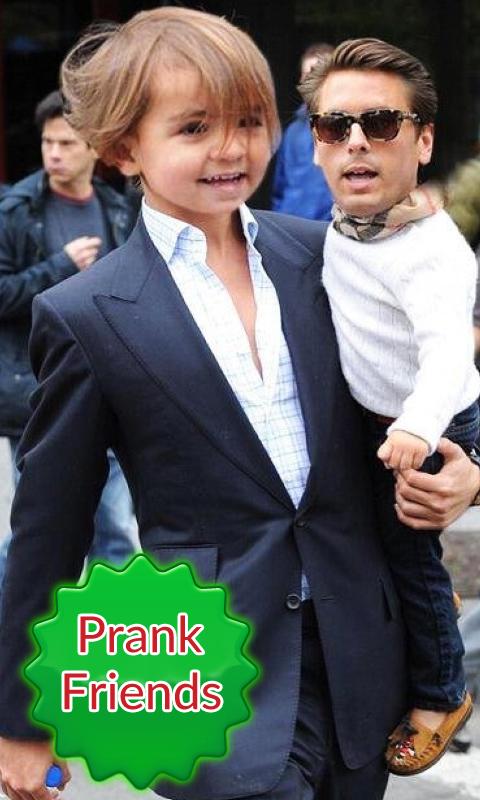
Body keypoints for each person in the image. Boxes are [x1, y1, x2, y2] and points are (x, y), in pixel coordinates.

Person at [0, 10, 478, 800]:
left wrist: (468, 474)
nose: (231, 148)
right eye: (194, 128)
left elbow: (420, 384)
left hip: (360, 659)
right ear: (124, 149)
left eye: (250, 122)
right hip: (205, 676)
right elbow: (50, 529)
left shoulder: (327, 256)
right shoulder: (85, 314)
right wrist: (22, 721)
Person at [299, 37, 480, 777]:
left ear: (423, 140)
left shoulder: (432, 251)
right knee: (377, 550)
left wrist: (417, 427)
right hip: (374, 421)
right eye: (333, 125)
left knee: (412, 561)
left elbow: (448, 354)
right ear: (314, 144)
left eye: (379, 123)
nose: (355, 142)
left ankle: (443, 695)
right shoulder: (347, 229)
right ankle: (424, 625)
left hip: (428, 424)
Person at [0, 91, 137, 598]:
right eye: (47, 142)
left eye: (66, 143)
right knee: (41, 533)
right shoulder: (17, 211)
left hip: (109, 387)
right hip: (39, 393)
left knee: (116, 531)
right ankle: (17, 628)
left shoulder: (117, 209)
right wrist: (59, 266)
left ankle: (116, 635)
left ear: (95, 148)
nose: (54, 153)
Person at [271, 44, 333, 220]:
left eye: (319, 72)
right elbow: (280, 188)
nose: (312, 80)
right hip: (291, 226)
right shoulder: (293, 130)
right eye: (307, 74)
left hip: (331, 227)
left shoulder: (352, 128)